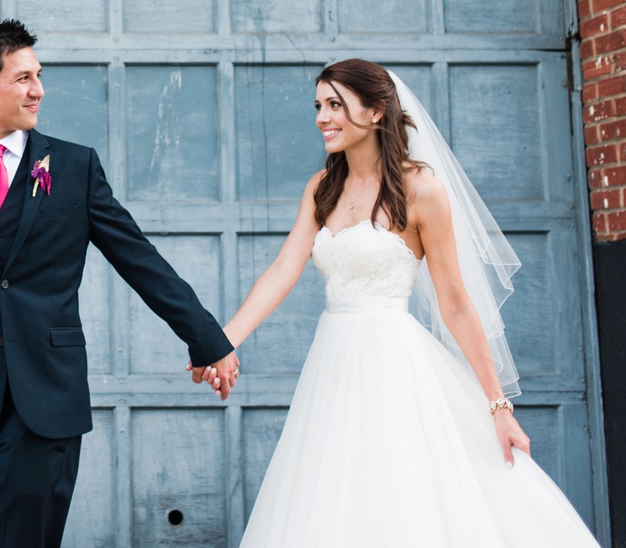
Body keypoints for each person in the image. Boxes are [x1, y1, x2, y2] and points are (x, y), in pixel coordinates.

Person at [0, 20, 238, 548]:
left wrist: (208, 340)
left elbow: (138, 259)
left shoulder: (74, 167)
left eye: (39, 75)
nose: (39, 89)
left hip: (44, 405)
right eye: (23, 78)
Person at [216, 59, 600, 546]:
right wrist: (222, 340)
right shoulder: (321, 188)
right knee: (333, 495)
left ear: (376, 112)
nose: (322, 117)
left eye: (335, 105)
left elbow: (456, 304)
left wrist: (499, 406)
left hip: (395, 367)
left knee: (400, 491)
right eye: (318, 106)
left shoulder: (422, 190)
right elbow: (282, 271)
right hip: (332, 364)